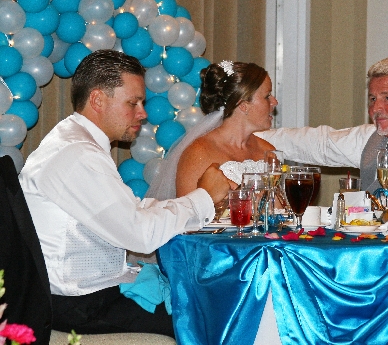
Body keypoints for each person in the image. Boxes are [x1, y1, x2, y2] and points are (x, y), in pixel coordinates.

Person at [19, 50, 231, 337]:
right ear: (97, 100)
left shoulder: (74, 141)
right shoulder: (77, 155)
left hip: (81, 295)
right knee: (211, 318)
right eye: (133, 103)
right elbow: (140, 236)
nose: (143, 113)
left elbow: (128, 209)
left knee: (203, 298)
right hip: (78, 303)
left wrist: (188, 205)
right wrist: (204, 197)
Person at [256, 56, 388, 206]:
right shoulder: (373, 137)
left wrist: (365, 207)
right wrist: (251, 138)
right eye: (373, 99)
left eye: (387, 98)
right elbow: (321, 143)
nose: (376, 108)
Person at [147, 60, 280, 204]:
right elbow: (188, 219)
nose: (274, 102)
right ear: (243, 105)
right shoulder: (198, 153)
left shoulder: (268, 151)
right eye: (267, 96)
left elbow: (280, 212)